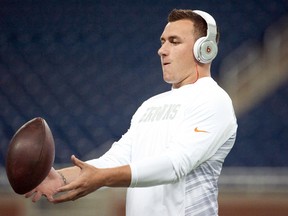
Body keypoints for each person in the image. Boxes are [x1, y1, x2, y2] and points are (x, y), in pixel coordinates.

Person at [25, 9, 237, 216]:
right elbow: (114, 160)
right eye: (162, 41)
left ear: (205, 49)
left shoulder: (214, 100)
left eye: (174, 41)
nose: (162, 50)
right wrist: (60, 178)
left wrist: (104, 178)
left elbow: (175, 165)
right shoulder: (150, 105)